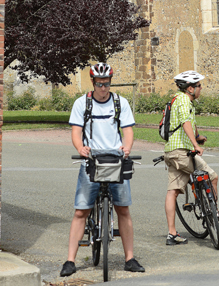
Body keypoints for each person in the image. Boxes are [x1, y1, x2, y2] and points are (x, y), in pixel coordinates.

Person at [59, 63, 144, 277]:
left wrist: (127, 147)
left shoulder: (120, 103)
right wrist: (80, 148)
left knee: (123, 209)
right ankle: (70, 260)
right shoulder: (82, 103)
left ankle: (130, 258)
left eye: (107, 84)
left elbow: (128, 130)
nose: (103, 88)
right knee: (81, 211)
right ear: (93, 82)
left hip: (116, 160)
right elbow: (76, 132)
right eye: (99, 84)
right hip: (91, 160)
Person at [164, 70, 219, 245]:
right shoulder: (183, 99)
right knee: (212, 177)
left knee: (173, 192)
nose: (201, 88)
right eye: (199, 85)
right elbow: (185, 122)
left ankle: (172, 234)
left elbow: (182, 124)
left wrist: (197, 137)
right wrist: (195, 145)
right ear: (190, 88)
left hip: (172, 151)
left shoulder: (177, 99)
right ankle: (214, 214)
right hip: (183, 152)